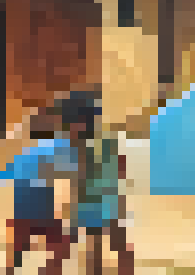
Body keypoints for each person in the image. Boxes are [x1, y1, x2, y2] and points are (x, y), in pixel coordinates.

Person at [0, 106, 78, 275]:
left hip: (22, 203)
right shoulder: (59, 145)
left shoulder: (24, 152)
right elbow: (73, 171)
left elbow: (4, 175)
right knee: (63, 246)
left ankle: (11, 268)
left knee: (19, 244)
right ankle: (48, 269)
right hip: (42, 201)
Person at [66, 101, 133, 275]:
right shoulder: (106, 141)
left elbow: (77, 174)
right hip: (102, 197)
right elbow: (121, 167)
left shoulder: (81, 145)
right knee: (111, 241)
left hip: (98, 198)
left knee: (102, 243)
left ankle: (116, 269)